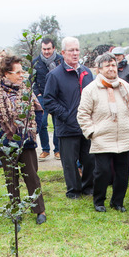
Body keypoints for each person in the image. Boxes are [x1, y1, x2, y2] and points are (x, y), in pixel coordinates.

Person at [77, 52, 129, 212]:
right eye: (107, 66)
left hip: (124, 136)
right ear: (99, 69)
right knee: (102, 172)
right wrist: (92, 132)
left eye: (113, 65)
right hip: (102, 138)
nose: (111, 68)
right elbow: (83, 114)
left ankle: (117, 202)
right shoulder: (90, 89)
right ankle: (99, 201)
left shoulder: (124, 86)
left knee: (122, 174)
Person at [0, 53, 46, 224]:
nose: (22, 76)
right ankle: (16, 210)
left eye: (23, 72)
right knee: (11, 178)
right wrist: (4, 136)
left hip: (26, 142)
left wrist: (30, 131)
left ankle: (39, 210)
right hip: (6, 144)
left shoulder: (27, 91)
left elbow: (39, 112)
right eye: (18, 72)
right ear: (6, 74)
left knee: (32, 176)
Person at [43, 37, 95, 198]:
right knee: (69, 163)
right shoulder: (55, 75)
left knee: (89, 159)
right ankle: (74, 190)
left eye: (77, 50)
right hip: (67, 127)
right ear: (63, 53)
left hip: (87, 126)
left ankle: (88, 187)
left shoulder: (87, 73)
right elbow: (49, 100)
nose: (75, 53)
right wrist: (67, 116)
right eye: (71, 50)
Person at [32, 37, 62, 159]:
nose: (46, 51)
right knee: (42, 123)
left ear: (54, 48)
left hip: (57, 97)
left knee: (57, 124)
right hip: (42, 97)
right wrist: (38, 94)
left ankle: (58, 149)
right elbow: (32, 81)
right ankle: (45, 149)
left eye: (49, 49)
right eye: (44, 49)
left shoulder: (61, 61)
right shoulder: (36, 62)